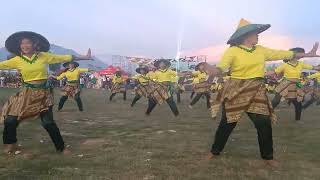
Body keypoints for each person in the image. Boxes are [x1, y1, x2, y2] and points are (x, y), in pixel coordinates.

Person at [203, 19, 319, 167]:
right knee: (228, 123)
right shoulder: (233, 51)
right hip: (236, 90)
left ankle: (268, 156)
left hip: (256, 90)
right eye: (255, 33)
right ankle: (214, 151)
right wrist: (213, 71)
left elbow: (282, 53)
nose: (258, 36)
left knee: (264, 123)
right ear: (246, 36)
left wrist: (307, 54)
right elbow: (222, 68)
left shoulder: (261, 50)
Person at [0, 31, 92, 155]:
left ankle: (61, 148)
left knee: (48, 123)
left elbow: (63, 57)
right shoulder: (17, 60)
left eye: (28, 42)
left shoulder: (43, 56)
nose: (25, 45)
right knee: (10, 120)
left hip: (43, 94)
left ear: (34, 44)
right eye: (22, 43)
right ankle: (11, 144)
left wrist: (85, 57)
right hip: (26, 94)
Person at [271, 48, 320, 121]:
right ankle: (267, 114)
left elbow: (315, 68)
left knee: (298, 103)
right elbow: (275, 72)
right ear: (295, 54)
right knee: (276, 101)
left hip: (296, 85)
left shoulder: (301, 64)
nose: (303, 55)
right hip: (285, 84)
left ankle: (297, 120)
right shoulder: (285, 65)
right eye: (302, 53)